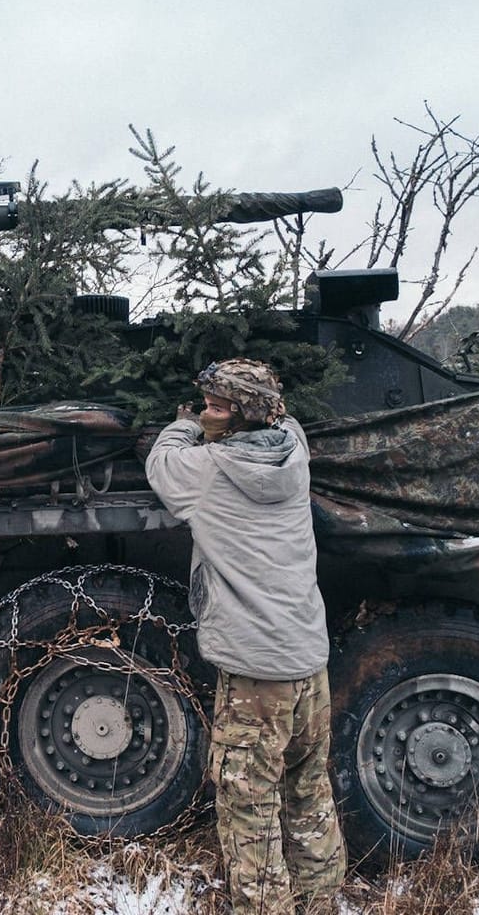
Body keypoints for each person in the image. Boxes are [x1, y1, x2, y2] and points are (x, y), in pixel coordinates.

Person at [144, 358, 346, 914]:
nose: (207, 411)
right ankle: (321, 901)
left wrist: (185, 423)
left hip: (258, 674)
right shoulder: (295, 451)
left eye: (216, 404)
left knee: (247, 807)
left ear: (239, 417)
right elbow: (285, 418)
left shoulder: (210, 469)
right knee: (308, 792)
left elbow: (162, 467)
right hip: (308, 662)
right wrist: (231, 413)